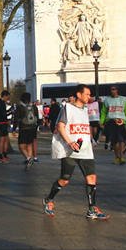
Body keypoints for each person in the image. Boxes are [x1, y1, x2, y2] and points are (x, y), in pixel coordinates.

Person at [42, 84, 109, 220]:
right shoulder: (68, 108)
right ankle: (49, 199)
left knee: (92, 178)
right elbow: (60, 126)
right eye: (87, 94)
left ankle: (92, 209)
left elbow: (85, 127)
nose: (89, 97)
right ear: (79, 94)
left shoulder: (85, 110)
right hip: (71, 151)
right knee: (64, 180)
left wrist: (91, 140)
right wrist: (70, 142)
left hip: (85, 150)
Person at [100, 85, 126, 164]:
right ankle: (117, 157)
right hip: (111, 121)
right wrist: (101, 121)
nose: (112, 91)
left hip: (121, 122)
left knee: (122, 140)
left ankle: (121, 156)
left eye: (114, 89)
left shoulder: (123, 100)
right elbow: (104, 112)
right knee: (114, 141)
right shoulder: (107, 100)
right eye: (111, 89)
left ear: (117, 90)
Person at [18, 92, 39, 170]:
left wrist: (13, 129)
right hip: (32, 128)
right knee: (29, 144)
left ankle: (28, 158)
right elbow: (37, 117)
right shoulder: (34, 106)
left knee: (21, 146)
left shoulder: (20, 107)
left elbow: (17, 118)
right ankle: (30, 159)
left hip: (23, 128)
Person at [0, 90, 11, 163]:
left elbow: (4, 113)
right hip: (2, 123)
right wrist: (7, 120)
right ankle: (1, 156)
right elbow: (2, 114)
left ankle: (4, 154)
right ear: (4, 96)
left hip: (3, 122)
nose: (8, 98)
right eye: (7, 97)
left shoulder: (1, 103)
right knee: (2, 140)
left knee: (5, 139)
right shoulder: (0, 103)